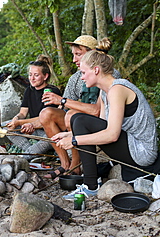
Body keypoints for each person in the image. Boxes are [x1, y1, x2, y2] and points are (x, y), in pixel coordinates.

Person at [53, 38, 159, 199]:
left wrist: (74, 140)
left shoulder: (118, 89)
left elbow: (112, 134)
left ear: (96, 70)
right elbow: (103, 125)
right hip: (130, 144)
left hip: (142, 151)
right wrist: (68, 135)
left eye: (83, 73)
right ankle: (90, 183)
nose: (81, 77)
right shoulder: (105, 91)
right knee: (77, 119)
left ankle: (90, 185)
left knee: (80, 119)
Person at [39, 35, 121, 179]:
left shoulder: (108, 75)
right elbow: (63, 109)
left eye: (78, 54)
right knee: (46, 113)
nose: (74, 60)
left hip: (104, 122)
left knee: (72, 115)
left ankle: (75, 166)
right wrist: (23, 122)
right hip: (82, 118)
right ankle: (65, 164)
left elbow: (97, 110)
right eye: (73, 55)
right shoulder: (76, 78)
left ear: (92, 55)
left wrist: (62, 100)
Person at [6, 55, 61, 159]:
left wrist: (22, 123)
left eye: (36, 75)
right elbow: (23, 113)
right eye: (30, 75)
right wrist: (16, 119)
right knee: (7, 126)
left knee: (50, 139)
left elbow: (44, 119)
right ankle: (31, 151)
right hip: (34, 129)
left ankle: (26, 156)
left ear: (45, 76)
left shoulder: (51, 92)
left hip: (49, 130)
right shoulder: (29, 90)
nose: (32, 78)